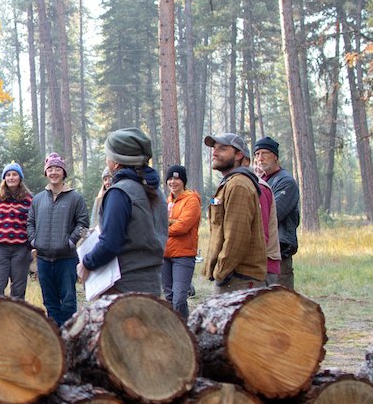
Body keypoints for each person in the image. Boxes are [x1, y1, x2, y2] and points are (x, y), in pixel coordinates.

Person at [78, 129, 168, 297]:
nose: (107, 160)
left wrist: (86, 263)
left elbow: (110, 243)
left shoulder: (119, 193)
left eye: (108, 156)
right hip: (152, 286)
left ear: (116, 163)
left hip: (122, 289)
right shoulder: (157, 191)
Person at [27, 153, 89, 327]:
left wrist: (70, 242)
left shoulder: (75, 198)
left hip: (67, 259)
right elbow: (30, 222)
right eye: (50, 169)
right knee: (50, 302)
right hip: (44, 259)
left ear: (63, 172)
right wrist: (33, 240)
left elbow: (83, 223)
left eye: (57, 168)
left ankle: (69, 337)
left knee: (68, 302)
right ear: (46, 173)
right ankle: (56, 337)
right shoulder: (38, 199)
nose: (54, 172)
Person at [202, 133, 267, 293]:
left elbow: (237, 237)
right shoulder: (230, 183)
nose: (215, 153)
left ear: (239, 155)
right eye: (214, 149)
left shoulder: (238, 185)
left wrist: (220, 272)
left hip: (239, 279)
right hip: (234, 277)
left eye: (222, 149)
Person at [253, 136, 300, 290]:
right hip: (260, 252)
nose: (260, 158)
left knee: (281, 303)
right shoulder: (259, 181)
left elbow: (272, 215)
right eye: (257, 154)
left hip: (279, 252)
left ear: (276, 157)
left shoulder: (285, 182)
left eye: (265, 153)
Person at [161, 165, 201, 317]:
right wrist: (171, 222)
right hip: (165, 255)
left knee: (179, 299)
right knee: (169, 298)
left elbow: (182, 227)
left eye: (176, 178)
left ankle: (184, 329)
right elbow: (159, 221)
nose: (173, 182)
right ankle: (173, 332)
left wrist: (165, 227)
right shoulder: (168, 201)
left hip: (183, 255)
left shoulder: (191, 200)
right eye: (170, 179)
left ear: (183, 181)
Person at [0, 163, 33, 300]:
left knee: (18, 291)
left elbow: (33, 223)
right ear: (4, 178)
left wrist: (30, 246)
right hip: (0, 248)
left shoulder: (29, 200)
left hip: (21, 249)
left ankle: (16, 319)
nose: (11, 177)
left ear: (20, 178)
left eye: (14, 174)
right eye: (8, 175)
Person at [244, 154, 282, 284]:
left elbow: (261, 234)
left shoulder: (257, 188)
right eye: (257, 155)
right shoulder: (244, 185)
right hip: (255, 266)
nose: (260, 159)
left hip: (262, 266)